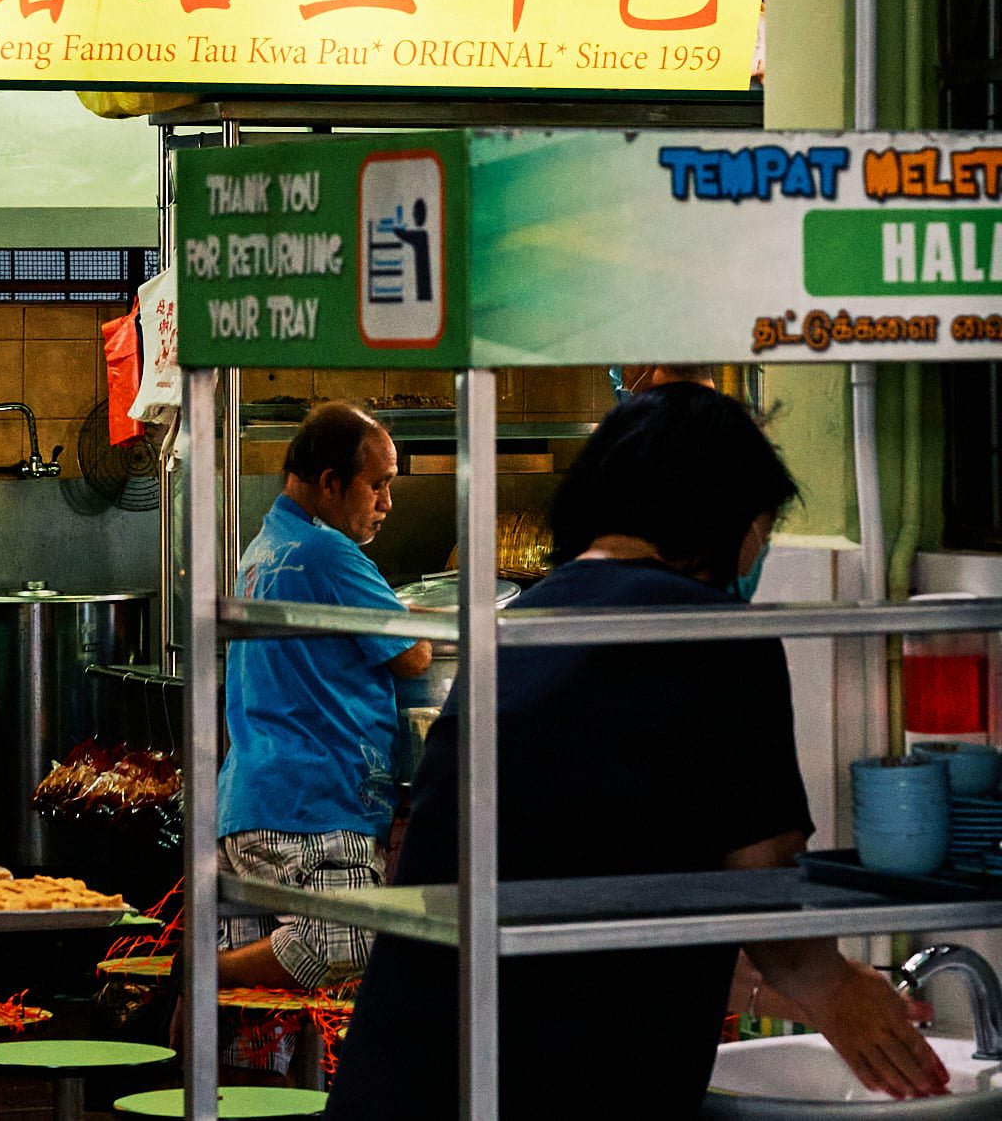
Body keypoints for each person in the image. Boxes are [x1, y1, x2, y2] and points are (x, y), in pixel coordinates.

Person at [325, 384, 948, 1118]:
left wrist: (793, 986)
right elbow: (763, 888)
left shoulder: (517, 626)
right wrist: (837, 990)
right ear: (728, 517)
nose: (760, 545)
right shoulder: (712, 636)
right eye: (764, 522)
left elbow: (589, 879)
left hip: (403, 1077)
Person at [217, 402, 432, 1011]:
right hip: (317, 806)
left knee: (270, 1024)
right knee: (348, 942)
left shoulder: (261, 551)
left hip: (250, 808)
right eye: (378, 485)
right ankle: (205, 972)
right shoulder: (328, 553)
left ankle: (216, 984)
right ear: (331, 483)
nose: (387, 502)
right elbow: (413, 657)